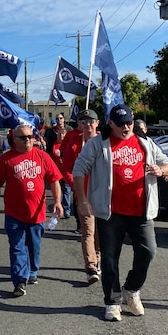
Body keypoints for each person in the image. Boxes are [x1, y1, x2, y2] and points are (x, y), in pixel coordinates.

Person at [73, 104, 168, 322]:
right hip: (110, 213)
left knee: (149, 251)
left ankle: (132, 288)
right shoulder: (98, 144)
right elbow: (79, 170)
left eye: (129, 122)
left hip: (141, 211)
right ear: (110, 124)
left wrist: (162, 170)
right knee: (110, 258)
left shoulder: (145, 142)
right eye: (120, 124)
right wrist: (82, 201)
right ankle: (112, 301)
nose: (126, 127)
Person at [0, 124, 63, 297]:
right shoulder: (6, 160)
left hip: (37, 213)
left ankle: (33, 270)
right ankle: (20, 280)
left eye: (30, 136)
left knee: (34, 246)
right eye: (23, 137)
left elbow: (54, 180)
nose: (28, 140)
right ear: (14, 140)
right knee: (17, 247)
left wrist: (58, 202)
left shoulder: (42, 156)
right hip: (14, 214)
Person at [59, 108, 101, 284]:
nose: (87, 125)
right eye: (84, 122)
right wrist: (75, 186)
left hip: (104, 196)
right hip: (83, 196)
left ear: (97, 123)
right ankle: (91, 267)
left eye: (91, 121)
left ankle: (97, 259)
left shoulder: (104, 142)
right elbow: (67, 168)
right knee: (88, 231)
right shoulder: (75, 143)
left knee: (101, 233)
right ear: (79, 125)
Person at [45, 115, 71, 219]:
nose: (61, 137)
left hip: (66, 172)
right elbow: (49, 155)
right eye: (60, 135)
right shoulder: (54, 143)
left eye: (63, 135)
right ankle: (58, 208)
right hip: (56, 172)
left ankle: (67, 210)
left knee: (66, 191)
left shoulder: (69, 144)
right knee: (57, 190)